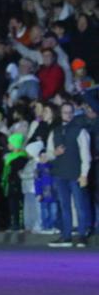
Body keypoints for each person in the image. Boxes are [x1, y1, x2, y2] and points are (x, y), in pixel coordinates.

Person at [46, 102, 92, 247]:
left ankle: (82, 235)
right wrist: (55, 153)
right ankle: (66, 236)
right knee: (64, 205)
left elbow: (86, 155)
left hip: (75, 173)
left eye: (70, 112)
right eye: (65, 112)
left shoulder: (80, 131)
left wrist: (84, 174)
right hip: (60, 173)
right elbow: (49, 153)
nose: (68, 115)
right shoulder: (55, 131)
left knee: (80, 205)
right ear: (60, 114)